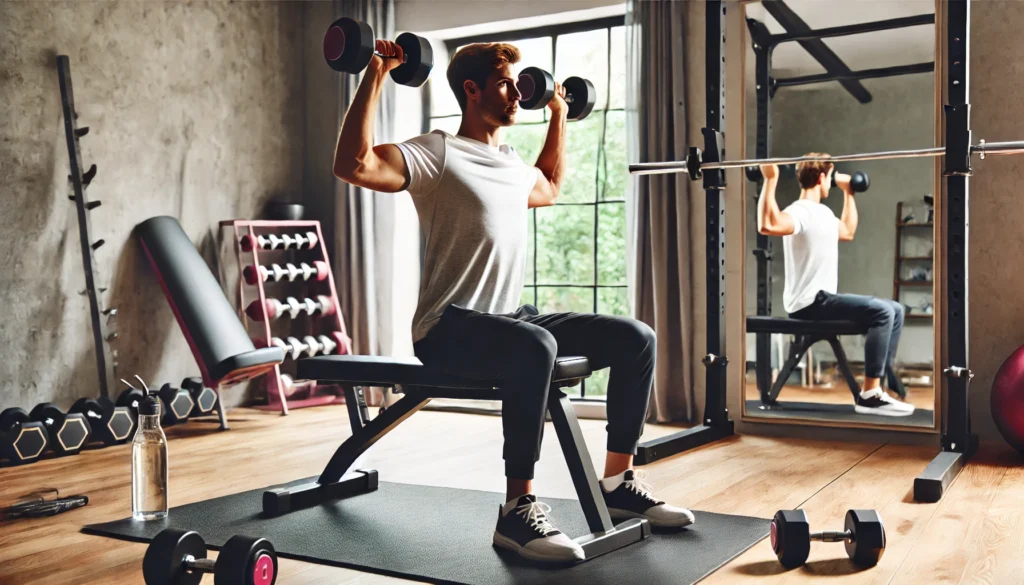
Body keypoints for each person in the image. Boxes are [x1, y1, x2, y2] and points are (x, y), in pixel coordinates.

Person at [332, 40, 694, 564]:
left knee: (635, 338)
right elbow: (354, 164)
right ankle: (516, 511)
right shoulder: (437, 152)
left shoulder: (509, 161)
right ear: (472, 89)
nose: (517, 93)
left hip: (509, 317)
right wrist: (376, 72)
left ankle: (617, 483)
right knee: (535, 345)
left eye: (519, 84)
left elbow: (548, 185)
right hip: (447, 327)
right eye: (506, 84)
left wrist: (559, 116)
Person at [756, 157, 915, 417]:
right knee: (883, 312)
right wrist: (770, 180)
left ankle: (880, 386)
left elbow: (848, 231)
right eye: (830, 178)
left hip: (823, 300)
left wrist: (848, 193)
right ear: (821, 179)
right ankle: (870, 395)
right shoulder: (800, 211)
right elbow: (768, 225)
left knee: (895, 309)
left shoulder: (823, 213)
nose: (830, 182)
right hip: (808, 303)